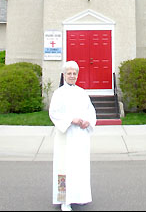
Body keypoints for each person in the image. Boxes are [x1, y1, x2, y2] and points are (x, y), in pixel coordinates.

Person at [49, 60, 97, 211]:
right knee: (63, 168)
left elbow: (91, 111)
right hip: (66, 136)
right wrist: (71, 120)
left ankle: (78, 196)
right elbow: (54, 113)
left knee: (79, 168)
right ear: (64, 75)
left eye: (74, 73)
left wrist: (88, 122)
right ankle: (64, 200)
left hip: (80, 137)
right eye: (69, 73)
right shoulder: (59, 94)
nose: (72, 76)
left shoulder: (82, 93)